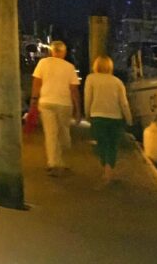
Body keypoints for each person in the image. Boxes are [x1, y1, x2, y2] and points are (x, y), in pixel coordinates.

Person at [28, 40, 81, 173]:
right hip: (64, 103)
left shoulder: (43, 63)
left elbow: (36, 83)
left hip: (46, 102)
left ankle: (53, 162)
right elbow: (74, 90)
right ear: (64, 52)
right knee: (63, 132)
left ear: (51, 51)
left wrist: (34, 100)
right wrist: (78, 109)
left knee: (50, 133)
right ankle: (61, 160)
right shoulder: (69, 67)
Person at [84, 55, 132, 185]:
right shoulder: (117, 82)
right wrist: (129, 119)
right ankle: (109, 170)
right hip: (115, 118)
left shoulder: (91, 79)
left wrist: (87, 113)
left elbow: (88, 98)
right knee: (113, 145)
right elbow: (124, 103)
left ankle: (106, 170)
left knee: (102, 144)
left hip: (97, 116)